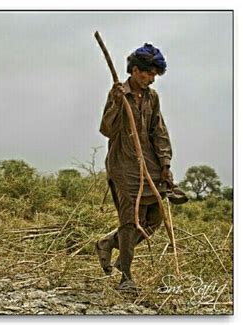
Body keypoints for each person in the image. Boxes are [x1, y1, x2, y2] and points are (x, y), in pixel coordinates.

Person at [95, 43, 185, 291]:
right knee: (129, 220)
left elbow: (159, 131)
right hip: (124, 165)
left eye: (155, 75)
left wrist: (165, 163)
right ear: (135, 71)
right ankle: (126, 277)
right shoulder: (118, 94)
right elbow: (106, 130)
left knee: (153, 220)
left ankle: (108, 243)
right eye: (149, 74)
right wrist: (115, 103)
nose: (152, 79)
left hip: (151, 165)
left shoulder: (152, 97)